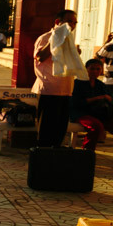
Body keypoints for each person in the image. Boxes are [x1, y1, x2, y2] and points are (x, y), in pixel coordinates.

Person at [33, 10, 85, 147]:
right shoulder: (46, 37)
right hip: (49, 89)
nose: (72, 25)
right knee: (46, 130)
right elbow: (40, 57)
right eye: (69, 22)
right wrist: (55, 40)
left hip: (66, 90)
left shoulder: (69, 39)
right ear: (58, 22)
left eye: (74, 23)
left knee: (60, 130)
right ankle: (43, 158)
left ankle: (54, 157)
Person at [71, 58, 113, 165]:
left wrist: (107, 99)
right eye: (92, 69)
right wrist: (97, 98)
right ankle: (86, 154)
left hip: (100, 113)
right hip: (82, 113)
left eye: (97, 69)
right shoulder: (77, 83)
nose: (94, 71)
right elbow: (76, 103)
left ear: (101, 71)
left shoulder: (101, 85)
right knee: (96, 126)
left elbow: (109, 99)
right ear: (86, 70)